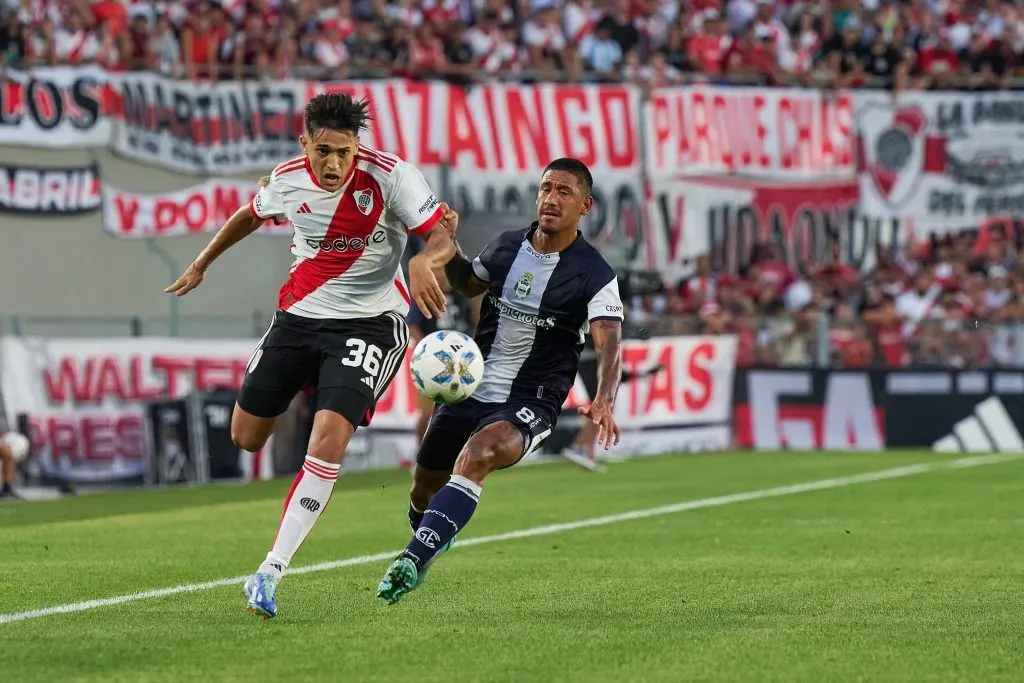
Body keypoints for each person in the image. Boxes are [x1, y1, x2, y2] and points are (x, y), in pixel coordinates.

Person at [165, 92, 456, 619]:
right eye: (323, 150)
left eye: (344, 152)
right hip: (298, 319)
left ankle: (269, 571)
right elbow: (250, 215)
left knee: (326, 442)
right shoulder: (287, 178)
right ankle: (311, 378)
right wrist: (202, 262)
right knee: (245, 436)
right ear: (305, 144)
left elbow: (442, 234)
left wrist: (423, 263)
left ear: (357, 146)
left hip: (370, 324)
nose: (334, 163)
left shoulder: (392, 176)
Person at [376, 157, 624, 604]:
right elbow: (469, 284)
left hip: (534, 398)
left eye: (564, 192)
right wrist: (448, 245)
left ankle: (410, 560)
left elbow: (609, 340)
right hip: (471, 387)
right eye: (546, 188)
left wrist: (605, 397)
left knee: (479, 454)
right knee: (424, 486)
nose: (551, 198)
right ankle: (432, 534)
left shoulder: (595, 273)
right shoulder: (508, 247)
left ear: (584, 205)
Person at [406, 268, 480, 445]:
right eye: (436, 272)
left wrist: (476, 295)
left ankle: (465, 451)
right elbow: (413, 327)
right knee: (428, 412)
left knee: (469, 409)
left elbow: (475, 320)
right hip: (432, 362)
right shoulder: (424, 296)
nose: (441, 276)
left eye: (445, 271)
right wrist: (428, 350)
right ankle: (420, 450)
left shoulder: (462, 295)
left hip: (463, 361)